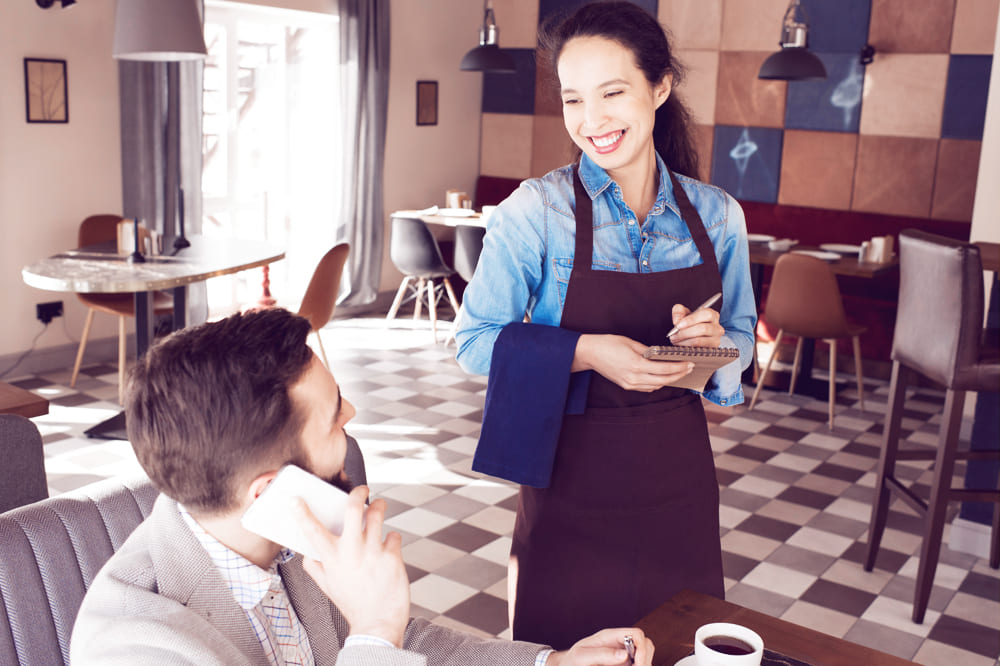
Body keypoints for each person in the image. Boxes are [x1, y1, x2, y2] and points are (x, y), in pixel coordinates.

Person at [69, 308, 653, 666]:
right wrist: (373, 630)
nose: (352, 413)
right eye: (333, 419)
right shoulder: (135, 647)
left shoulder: (285, 538)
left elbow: (403, 646)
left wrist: (552, 664)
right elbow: (375, 643)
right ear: (269, 491)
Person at [455, 0, 757, 651]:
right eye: (573, 99)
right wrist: (587, 351)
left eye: (612, 92)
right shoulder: (537, 212)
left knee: (678, 650)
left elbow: (741, 349)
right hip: (570, 488)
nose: (591, 120)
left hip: (679, 489)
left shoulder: (718, 216)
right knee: (571, 653)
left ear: (660, 86)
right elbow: (474, 342)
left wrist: (715, 349)